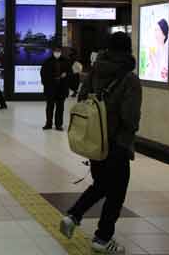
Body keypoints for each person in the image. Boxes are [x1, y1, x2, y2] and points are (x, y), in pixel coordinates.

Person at [60, 32, 142, 254]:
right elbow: (130, 117)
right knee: (116, 193)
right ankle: (102, 238)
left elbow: (82, 100)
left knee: (101, 185)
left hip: (95, 141)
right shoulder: (129, 78)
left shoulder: (95, 71)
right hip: (117, 145)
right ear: (128, 50)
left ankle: (73, 215)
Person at [40, 46, 72, 131]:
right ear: (53, 51)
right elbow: (43, 74)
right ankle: (48, 124)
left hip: (62, 88)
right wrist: (47, 83)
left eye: (59, 51)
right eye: (56, 51)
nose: (57, 53)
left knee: (60, 107)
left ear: (61, 52)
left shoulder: (66, 61)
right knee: (50, 106)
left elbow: (70, 73)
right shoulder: (47, 62)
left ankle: (58, 124)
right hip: (50, 88)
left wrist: (66, 75)